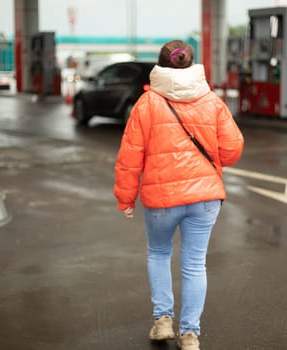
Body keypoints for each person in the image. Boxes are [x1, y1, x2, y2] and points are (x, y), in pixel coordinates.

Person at [114, 40, 244, 350]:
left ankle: (162, 322)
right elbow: (232, 150)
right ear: (190, 64)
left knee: (159, 254)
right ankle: (189, 335)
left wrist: (126, 197)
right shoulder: (211, 101)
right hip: (205, 197)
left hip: (161, 199)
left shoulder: (147, 103)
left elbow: (130, 155)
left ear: (159, 67)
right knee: (195, 264)